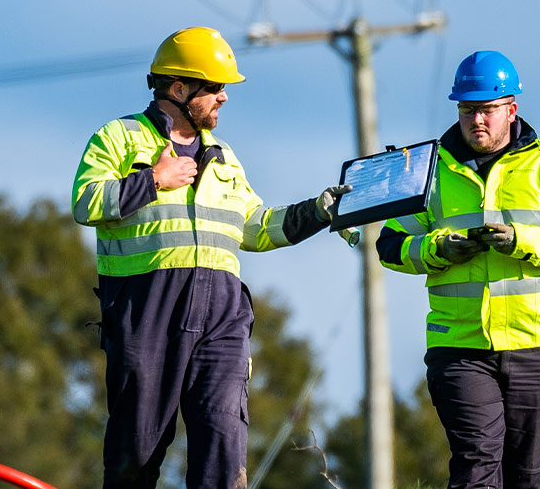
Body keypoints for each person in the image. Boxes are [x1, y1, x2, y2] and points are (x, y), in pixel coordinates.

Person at [71, 26, 350, 489]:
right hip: (146, 311)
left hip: (221, 315)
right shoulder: (118, 139)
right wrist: (153, 180)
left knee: (223, 447)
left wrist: (317, 212)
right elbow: (85, 203)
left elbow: (256, 227)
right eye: (216, 88)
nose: (224, 98)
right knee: (135, 456)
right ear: (178, 89)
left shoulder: (225, 157)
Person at [377, 51, 540, 489]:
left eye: (486, 110)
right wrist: (440, 248)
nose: (476, 120)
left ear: (511, 109)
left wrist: (523, 241)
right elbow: (390, 246)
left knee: (523, 475)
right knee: (476, 464)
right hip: (458, 347)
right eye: (467, 110)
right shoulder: (428, 172)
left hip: (537, 344)